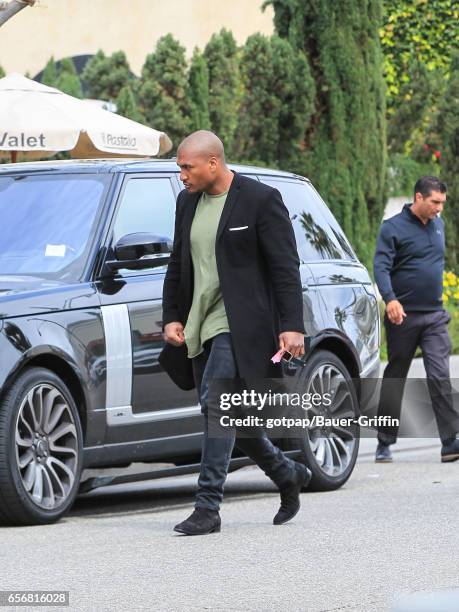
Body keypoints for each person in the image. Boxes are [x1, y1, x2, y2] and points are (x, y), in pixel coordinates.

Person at [162, 130, 311, 535]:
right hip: (200, 322)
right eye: (180, 167)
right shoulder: (186, 203)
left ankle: (207, 506)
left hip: (241, 325)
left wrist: (292, 325)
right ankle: (287, 473)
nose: (182, 175)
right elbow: (178, 262)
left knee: (218, 403)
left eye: (187, 167)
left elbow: (285, 267)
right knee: (230, 414)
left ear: (213, 163)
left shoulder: (260, 199)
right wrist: (171, 315)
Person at [373, 176, 459, 463]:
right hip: (402, 316)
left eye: (442, 203)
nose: (439, 208)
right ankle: (384, 441)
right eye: (435, 202)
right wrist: (391, 299)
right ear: (419, 198)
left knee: (439, 375)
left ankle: (449, 441)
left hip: (434, 315)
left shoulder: (439, 225)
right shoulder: (392, 228)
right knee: (395, 375)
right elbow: (381, 267)